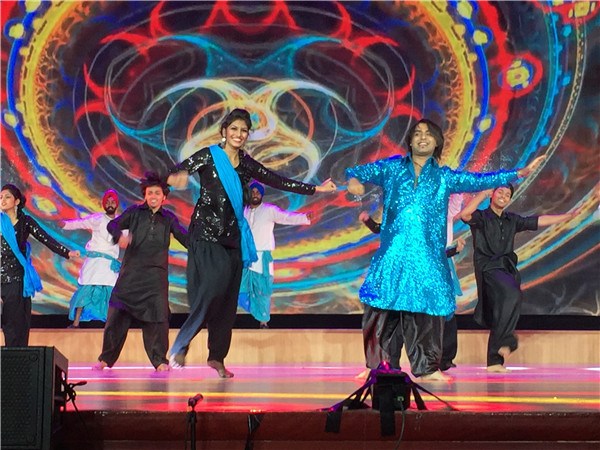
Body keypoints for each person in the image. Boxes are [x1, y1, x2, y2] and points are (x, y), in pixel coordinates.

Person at [346, 118, 545, 381]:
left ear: (437, 142)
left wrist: (518, 173)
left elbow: (478, 180)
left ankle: (427, 368)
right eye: (417, 133)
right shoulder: (392, 168)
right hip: (393, 254)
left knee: (427, 316)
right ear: (410, 141)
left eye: (428, 134)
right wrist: (354, 181)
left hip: (427, 256)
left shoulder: (444, 177)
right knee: (381, 311)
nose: (422, 137)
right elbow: (357, 171)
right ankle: (378, 366)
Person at [167, 108, 336, 377]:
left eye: (243, 130)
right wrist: (173, 179)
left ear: (247, 135)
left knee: (228, 301)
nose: (238, 134)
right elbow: (177, 172)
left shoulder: (245, 163)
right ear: (224, 131)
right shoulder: (208, 156)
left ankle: (217, 358)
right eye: (233, 129)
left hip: (233, 238)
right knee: (213, 287)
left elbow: (277, 180)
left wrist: (316, 189)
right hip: (206, 236)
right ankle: (182, 342)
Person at [459, 185, 580, 372]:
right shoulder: (481, 217)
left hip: (507, 268)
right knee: (512, 295)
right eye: (500, 192)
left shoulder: (512, 220)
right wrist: (482, 193)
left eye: (508, 195)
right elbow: (465, 215)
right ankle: (508, 340)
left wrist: (568, 216)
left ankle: (494, 361)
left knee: (504, 308)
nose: (504, 196)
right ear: (492, 194)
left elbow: (538, 220)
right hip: (489, 268)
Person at [93, 173, 187, 372]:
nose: (153, 196)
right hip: (131, 275)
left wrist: (203, 247)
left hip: (155, 278)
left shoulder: (169, 218)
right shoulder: (135, 212)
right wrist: (119, 236)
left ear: (164, 197)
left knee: (158, 319)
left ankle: (160, 360)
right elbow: (113, 224)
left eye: (157, 193)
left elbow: (184, 236)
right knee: (116, 317)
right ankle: (105, 359)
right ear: (145, 195)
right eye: (150, 193)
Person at [356, 210, 465, 378]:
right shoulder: (398, 218)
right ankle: (379, 367)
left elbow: (434, 253)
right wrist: (368, 221)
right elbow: (382, 228)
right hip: (394, 281)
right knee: (389, 324)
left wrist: (452, 251)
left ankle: (427, 368)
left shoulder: (429, 223)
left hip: (417, 284)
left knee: (418, 324)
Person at [1, 184, 79, 347]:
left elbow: (46, 238)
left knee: (14, 324)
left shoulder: (25, 222)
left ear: (16, 201)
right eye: (1, 197)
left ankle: (14, 362)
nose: (2, 200)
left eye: (7, 197)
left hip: (15, 279)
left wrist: (66, 252)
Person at [238, 181, 312, 329]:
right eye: (252, 192)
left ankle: (263, 321)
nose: (255, 194)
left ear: (262, 195)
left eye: (258, 192)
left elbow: (286, 217)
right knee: (240, 291)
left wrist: (304, 218)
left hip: (262, 257)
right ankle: (254, 313)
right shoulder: (243, 211)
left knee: (263, 290)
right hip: (245, 257)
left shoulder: (269, 210)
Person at [62, 190, 122, 327]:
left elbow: (129, 238)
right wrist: (64, 224)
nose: (110, 204)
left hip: (109, 265)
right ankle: (76, 323)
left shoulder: (122, 222)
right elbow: (80, 223)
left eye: (113, 202)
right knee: (85, 290)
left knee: (110, 294)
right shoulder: (97, 219)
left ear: (116, 204)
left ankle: (110, 325)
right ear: (104, 204)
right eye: (107, 202)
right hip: (94, 262)